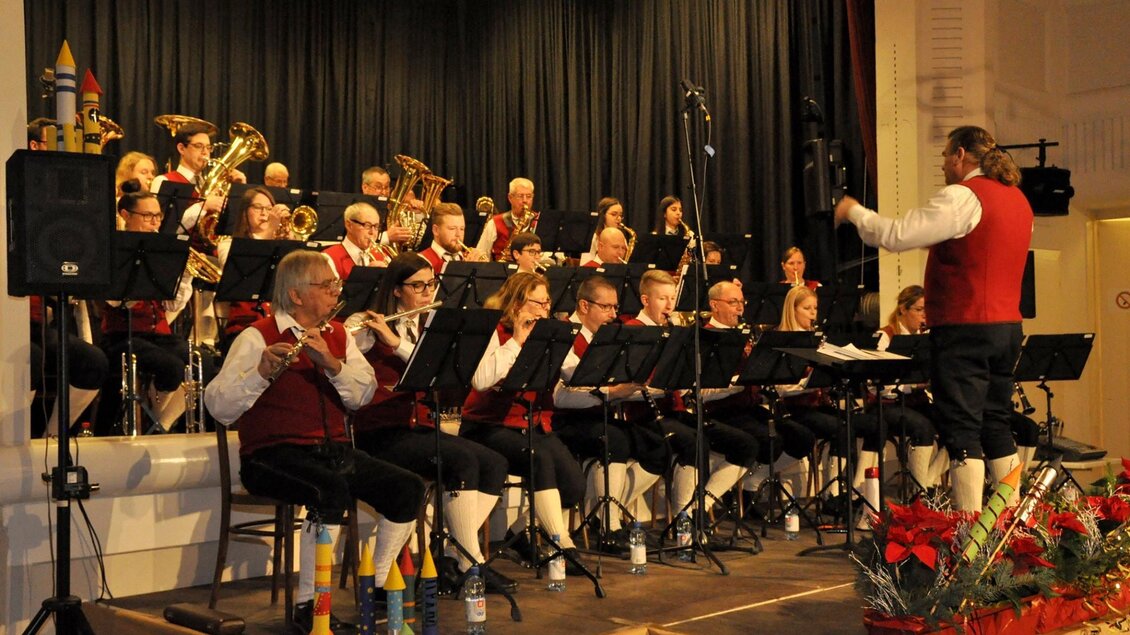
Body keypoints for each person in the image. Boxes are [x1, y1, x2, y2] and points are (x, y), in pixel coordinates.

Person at [204, 250, 424, 633]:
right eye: (327, 286)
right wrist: (260, 373)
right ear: (296, 295)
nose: (336, 292)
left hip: (332, 451)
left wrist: (333, 365)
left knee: (408, 488)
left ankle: (377, 582)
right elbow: (219, 406)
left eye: (335, 284)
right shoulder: (257, 336)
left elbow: (363, 395)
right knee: (329, 490)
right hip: (270, 455)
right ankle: (310, 605)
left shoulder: (339, 335)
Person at [834, 125, 1034, 512]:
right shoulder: (1018, 200)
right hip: (1007, 327)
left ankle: (969, 532)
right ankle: (1011, 523)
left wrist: (853, 211)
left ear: (960, 155)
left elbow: (895, 235)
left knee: (961, 429)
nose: (942, 164)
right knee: (995, 422)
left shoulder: (963, 196)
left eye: (945, 155)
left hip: (965, 327)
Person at [349, 253, 515, 593]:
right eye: (417, 286)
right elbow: (345, 354)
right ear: (396, 290)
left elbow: (433, 367)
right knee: (462, 460)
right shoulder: (366, 324)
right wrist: (372, 336)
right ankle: (471, 565)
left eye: (431, 284)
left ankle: (452, 555)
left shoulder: (426, 326)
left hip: (413, 428)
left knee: (495, 463)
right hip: (378, 432)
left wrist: (398, 343)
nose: (427, 292)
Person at [459, 272, 588, 572]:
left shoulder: (548, 333)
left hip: (533, 424)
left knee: (573, 485)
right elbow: (482, 380)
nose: (545, 309)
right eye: (538, 303)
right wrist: (517, 340)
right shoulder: (495, 330)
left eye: (547, 302)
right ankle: (562, 545)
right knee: (538, 458)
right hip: (489, 425)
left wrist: (562, 345)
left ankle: (517, 532)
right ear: (517, 304)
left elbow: (576, 373)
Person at [623, 271, 757, 518]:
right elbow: (630, 386)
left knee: (745, 444)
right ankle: (684, 515)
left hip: (674, 410)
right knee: (694, 442)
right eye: (662, 298)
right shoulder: (633, 331)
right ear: (645, 300)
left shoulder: (673, 331)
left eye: (672, 298)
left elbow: (686, 385)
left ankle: (699, 507)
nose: (669, 305)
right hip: (643, 415)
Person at [553, 276, 668, 553]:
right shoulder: (565, 336)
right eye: (606, 307)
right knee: (615, 440)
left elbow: (612, 385)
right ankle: (609, 527)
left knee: (658, 446)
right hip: (568, 420)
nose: (614, 315)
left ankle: (607, 512)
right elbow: (564, 393)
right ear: (584, 306)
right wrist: (611, 393)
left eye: (615, 307)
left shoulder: (605, 337)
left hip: (599, 416)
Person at [700, 282, 815, 499]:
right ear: (714, 305)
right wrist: (736, 384)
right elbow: (701, 391)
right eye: (733, 302)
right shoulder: (705, 338)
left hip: (749, 407)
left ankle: (751, 483)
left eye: (742, 302)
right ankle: (729, 495)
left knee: (802, 437)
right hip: (720, 411)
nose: (740, 308)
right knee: (768, 440)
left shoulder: (745, 334)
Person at [97, 180, 194, 435]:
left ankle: (159, 425)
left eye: (157, 216)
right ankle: (156, 425)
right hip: (121, 336)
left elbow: (172, 304)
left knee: (199, 359)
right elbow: (113, 301)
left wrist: (182, 276)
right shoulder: (114, 250)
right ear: (125, 215)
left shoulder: (161, 250)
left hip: (157, 334)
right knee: (171, 366)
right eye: (148, 216)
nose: (155, 222)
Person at [853, 285, 941, 493]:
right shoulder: (885, 336)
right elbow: (879, 385)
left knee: (955, 424)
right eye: (919, 310)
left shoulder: (925, 337)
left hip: (915, 401)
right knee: (923, 427)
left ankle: (928, 481)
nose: (924, 315)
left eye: (926, 310)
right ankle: (919, 492)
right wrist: (913, 385)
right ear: (903, 309)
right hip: (887, 404)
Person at [775, 285, 854, 499]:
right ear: (792, 310)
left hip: (816, 405)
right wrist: (812, 381)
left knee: (850, 423)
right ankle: (832, 494)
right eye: (807, 308)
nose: (813, 313)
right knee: (840, 428)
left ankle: (839, 491)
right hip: (794, 408)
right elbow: (782, 388)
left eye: (815, 308)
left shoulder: (815, 338)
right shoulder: (784, 340)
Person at [215, 187, 288, 352]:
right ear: (244, 213)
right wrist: (269, 231)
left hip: (280, 325)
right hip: (245, 328)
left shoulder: (282, 245)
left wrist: (291, 239)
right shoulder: (228, 245)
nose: (264, 213)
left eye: (269, 209)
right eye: (258, 207)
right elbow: (240, 273)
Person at [475, 177, 535, 261]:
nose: (525, 200)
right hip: (502, 267)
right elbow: (480, 253)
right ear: (510, 197)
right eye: (520, 196)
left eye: (529, 196)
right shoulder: (495, 222)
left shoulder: (539, 220)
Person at [323, 201, 388, 279]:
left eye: (376, 226)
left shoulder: (383, 256)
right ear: (349, 225)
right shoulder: (329, 258)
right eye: (367, 226)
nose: (372, 232)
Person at [417, 202, 487, 272]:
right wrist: (466, 269)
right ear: (436, 230)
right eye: (452, 228)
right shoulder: (421, 261)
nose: (458, 234)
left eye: (462, 229)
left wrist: (485, 269)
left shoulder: (467, 258)